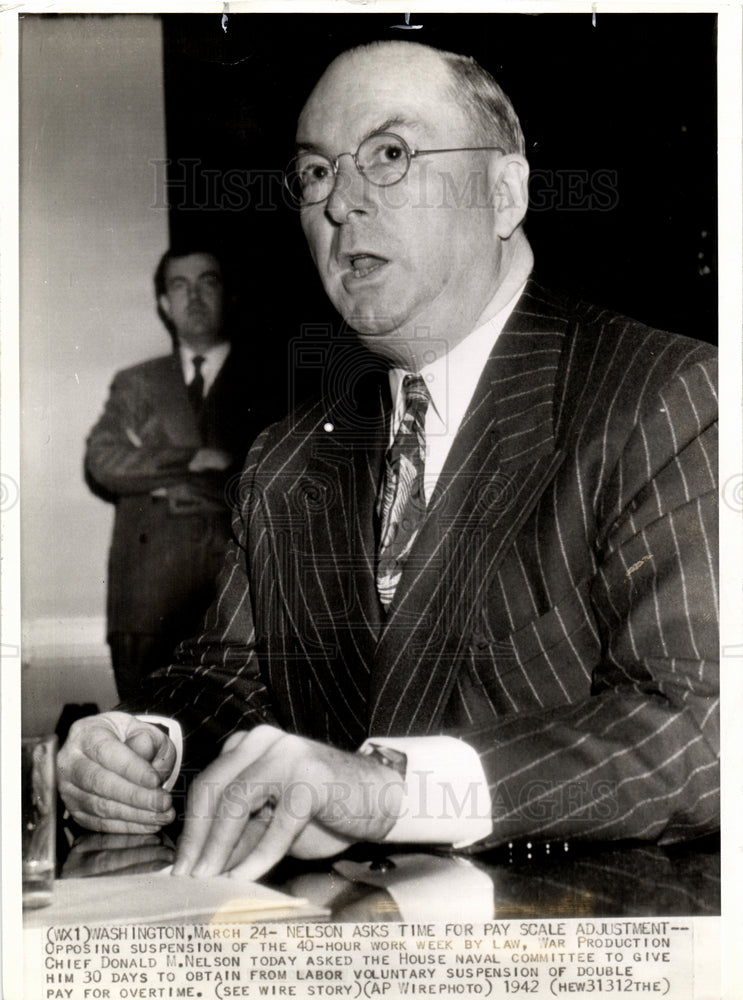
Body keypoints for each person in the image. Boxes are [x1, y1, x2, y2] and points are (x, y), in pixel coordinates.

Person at [59, 41, 718, 883]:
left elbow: (699, 732)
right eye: (314, 174)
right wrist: (144, 745)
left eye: (390, 155)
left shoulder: (669, 398)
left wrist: (392, 789)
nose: (340, 203)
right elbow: (228, 680)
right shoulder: (286, 461)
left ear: (504, 191)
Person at [85, 248, 266, 700]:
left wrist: (156, 469)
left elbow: (274, 476)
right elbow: (104, 462)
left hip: (242, 595)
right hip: (147, 596)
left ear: (229, 296)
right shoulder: (137, 383)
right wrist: (190, 458)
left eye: (207, 281)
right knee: (145, 739)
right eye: (179, 286)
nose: (194, 296)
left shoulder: (269, 380)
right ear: (164, 304)